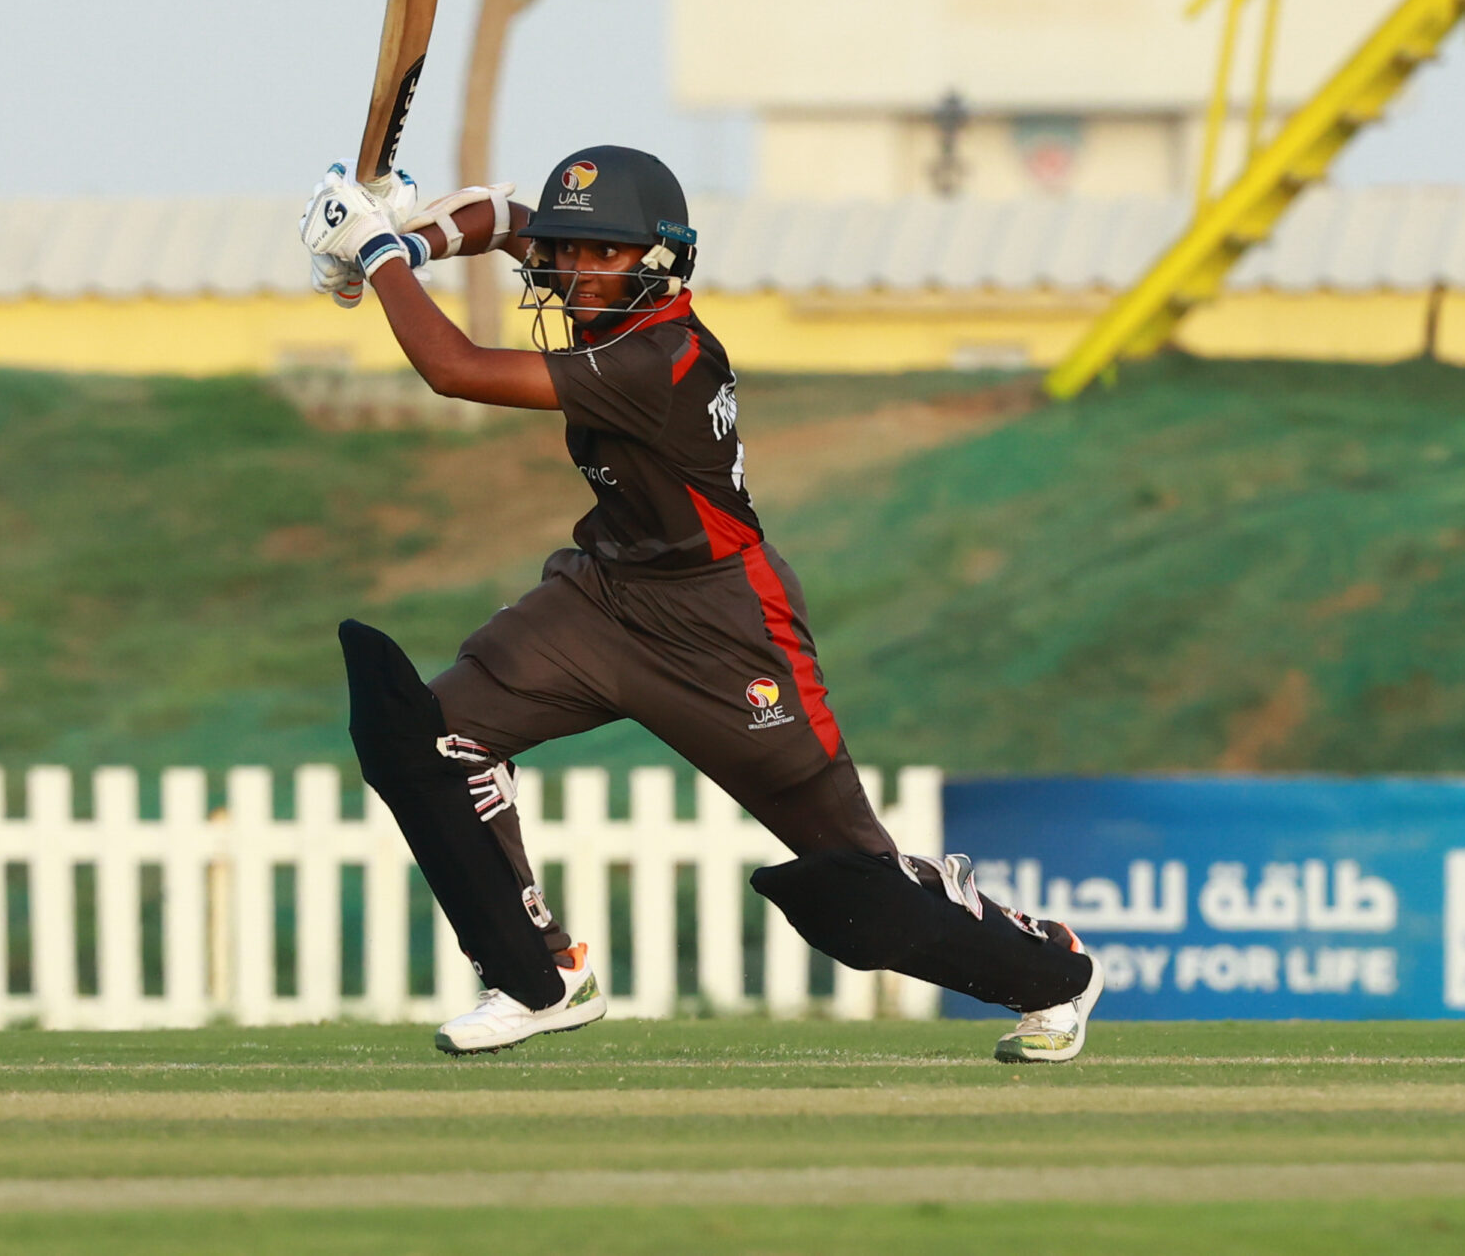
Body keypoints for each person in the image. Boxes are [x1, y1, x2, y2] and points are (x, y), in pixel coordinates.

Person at [298, 146, 1100, 1061]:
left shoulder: (661, 357)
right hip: (603, 597)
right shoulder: (609, 290)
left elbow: (454, 368)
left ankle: (1056, 973)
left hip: (725, 625)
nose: (578, 270)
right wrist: (414, 232)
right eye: (575, 252)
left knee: (860, 887)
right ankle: (539, 975)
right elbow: (502, 215)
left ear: (659, 261)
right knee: (427, 740)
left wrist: (376, 256)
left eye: (605, 254)